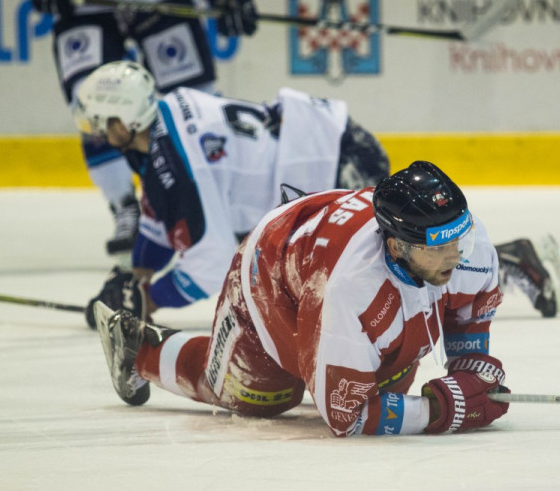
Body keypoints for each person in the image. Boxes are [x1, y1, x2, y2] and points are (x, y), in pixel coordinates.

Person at [74, 61, 560, 329]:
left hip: (330, 162)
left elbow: (207, 260)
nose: (95, 132)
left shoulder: (171, 162)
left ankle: (509, 263)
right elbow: (161, 219)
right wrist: (133, 278)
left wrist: (149, 299)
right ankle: (511, 261)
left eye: (100, 122)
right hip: (326, 149)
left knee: (394, 271)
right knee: (386, 270)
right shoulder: (161, 126)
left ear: (122, 120)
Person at [93, 161, 512, 436]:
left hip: (324, 266)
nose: (456, 254)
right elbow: (345, 416)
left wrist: (471, 374)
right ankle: (140, 351)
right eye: (437, 247)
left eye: (461, 237)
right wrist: (440, 412)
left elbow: (467, 319)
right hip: (274, 277)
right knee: (258, 397)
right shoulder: (352, 287)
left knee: (389, 376)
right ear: (398, 246)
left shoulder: (465, 247)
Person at [31, 0, 259, 259]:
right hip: (85, 2)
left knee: (198, 99)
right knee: (92, 101)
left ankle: (228, 196)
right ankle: (124, 205)